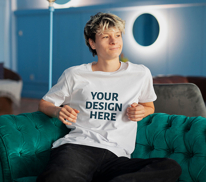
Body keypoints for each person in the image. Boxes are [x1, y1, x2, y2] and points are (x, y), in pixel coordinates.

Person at [36, 12, 181, 182]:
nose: (114, 41)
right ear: (92, 43)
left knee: (170, 167)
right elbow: (45, 103)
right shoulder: (75, 74)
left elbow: (149, 106)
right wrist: (57, 111)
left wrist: (142, 110)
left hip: (117, 156)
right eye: (106, 36)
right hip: (79, 149)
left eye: (118, 35)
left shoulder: (140, 73)